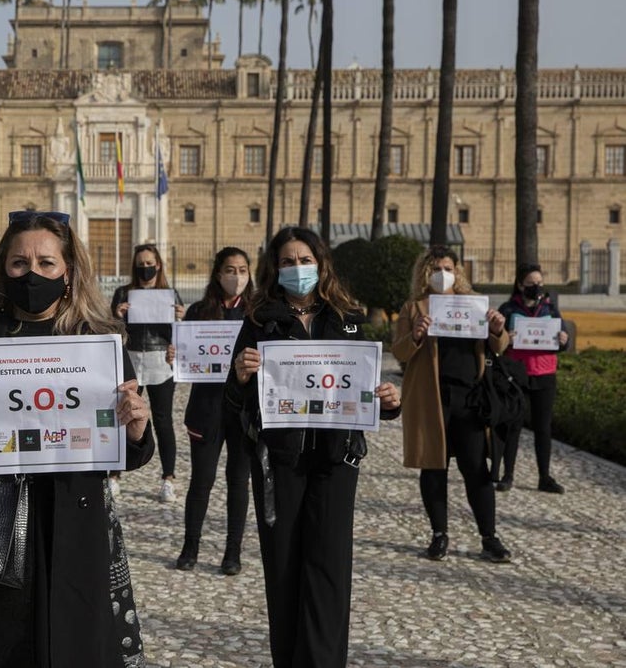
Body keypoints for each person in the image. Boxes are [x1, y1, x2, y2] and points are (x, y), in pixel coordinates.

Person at [0, 210, 154, 667]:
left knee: (73, 648)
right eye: (20, 263)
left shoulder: (99, 340)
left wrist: (136, 430)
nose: (32, 273)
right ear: (2, 268)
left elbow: (130, 451)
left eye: (46, 263)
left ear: (68, 271)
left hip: (74, 521)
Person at [223, 226, 401, 668]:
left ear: (320, 264)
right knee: (283, 567)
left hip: (336, 460)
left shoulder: (349, 316)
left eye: (304, 260)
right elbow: (233, 397)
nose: (297, 268)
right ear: (275, 268)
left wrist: (389, 401)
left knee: (328, 569)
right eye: (287, 261)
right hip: (278, 462)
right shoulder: (259, 320)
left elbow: (365, 384)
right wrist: (242, 376)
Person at [393, 245, 513, 564]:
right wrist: (416, 335)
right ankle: (439, 535)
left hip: (470, 399)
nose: (441, 273)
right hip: (432, 398)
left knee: (477, 469)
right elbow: (399, 351)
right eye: (434, 268)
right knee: (434, 466)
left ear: (456, 270)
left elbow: (499, 344)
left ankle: (489, 536)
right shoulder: (414, 308)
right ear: (424, 272)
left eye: (447, 267)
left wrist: (498, 330)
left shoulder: (472, 306)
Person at [175, 246, 254, 575]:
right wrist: (176, 355)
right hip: (207, 409)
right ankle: (190, 545)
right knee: (201, 480)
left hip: (245, 411)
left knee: (239, 481)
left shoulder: (257, 313)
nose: (236, 277)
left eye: (242, 270)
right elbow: (187, 357)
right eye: (230, 270)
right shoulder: (198, 311)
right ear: (218, 273)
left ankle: (232, 551)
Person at [109, 242, 184, 502]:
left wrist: (181, 319)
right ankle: (114, 475)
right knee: (123, 416)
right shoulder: (123, 293)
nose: (145, 269)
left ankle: (168, 478)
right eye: (141, 265)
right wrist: (117, 316)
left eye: (150, 265)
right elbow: (111, 332)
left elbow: (180, 337)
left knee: (163, 421)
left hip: (161, 362)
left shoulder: (170, 294)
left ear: (159, 265)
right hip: (131, 361)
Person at [496, 263, 569, 493]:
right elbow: (496, 342)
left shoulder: (550, 309)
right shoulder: (508, 310)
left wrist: (564, 339)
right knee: (513, 425)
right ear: (520, 285)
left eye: (539, 283)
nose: (536, 287)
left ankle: (544, 476)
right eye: (530, 284)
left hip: (545, 374)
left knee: (543, 428)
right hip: (516, 374)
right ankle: (507, 475)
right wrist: (506, 336)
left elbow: (562, 343)